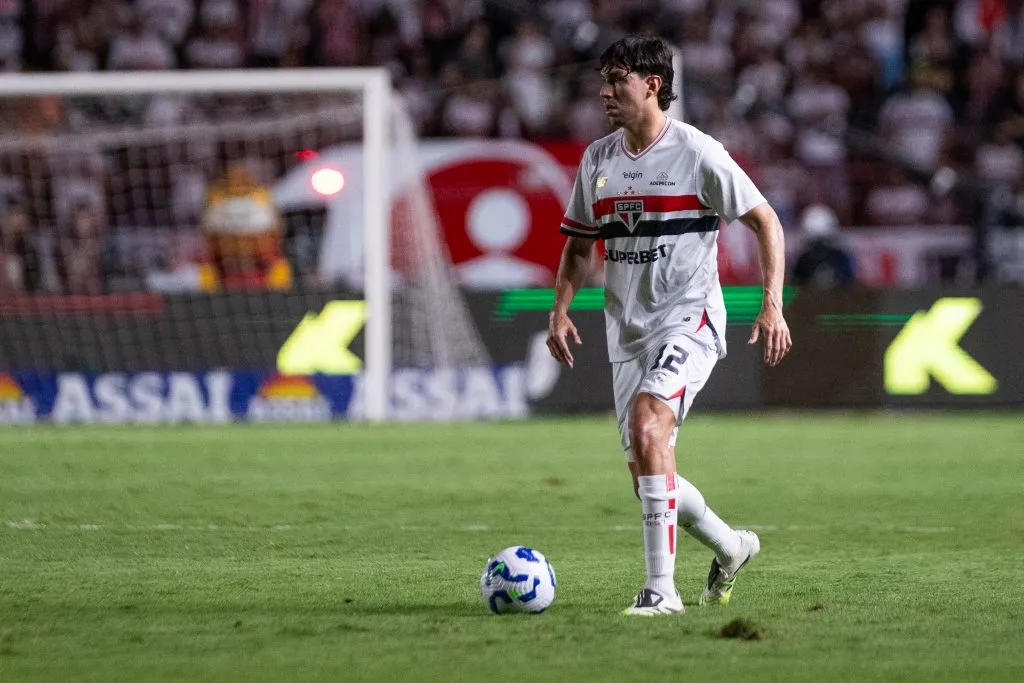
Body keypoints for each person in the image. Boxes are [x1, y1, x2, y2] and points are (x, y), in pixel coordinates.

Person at [546, 35, 792, 616]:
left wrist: (772, 303)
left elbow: (766, 221)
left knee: (649, 424)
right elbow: (580, 247)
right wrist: (559, 308)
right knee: (650, 477)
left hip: (690, 317)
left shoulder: (698, 152)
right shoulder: (598, 160)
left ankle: (662, 591)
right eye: (604, 79)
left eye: (618, 79)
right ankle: (732, 547)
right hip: (625, 332)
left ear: (652, 85)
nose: (605, 91)